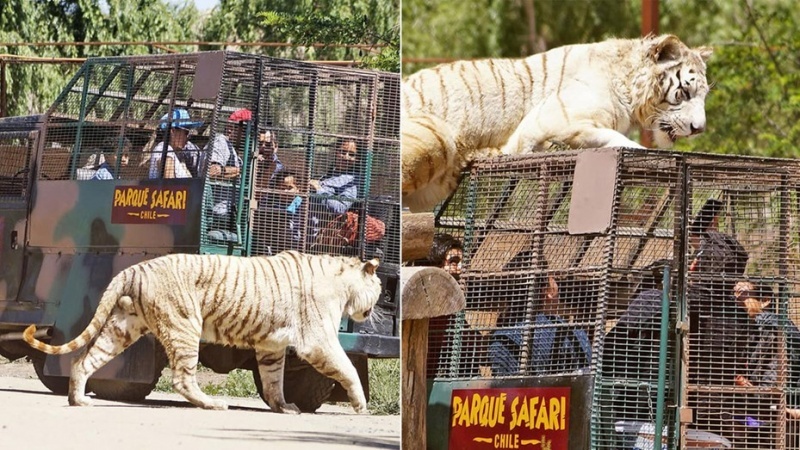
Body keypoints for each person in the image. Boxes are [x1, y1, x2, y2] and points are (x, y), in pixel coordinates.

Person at [205, 108, 249, 242]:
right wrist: (241, 171)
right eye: (245, 131)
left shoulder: (234, 151)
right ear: (231, 128)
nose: (248, 136)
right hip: (217, 214)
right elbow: (212, 171)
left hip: (230, 215)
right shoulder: (221, 142)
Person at [308, 138, 361, 243]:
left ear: (357, 159)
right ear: (336, 152)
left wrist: (318, 189)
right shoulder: (329, 173)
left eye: (351, 154)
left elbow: (341, 208)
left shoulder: (351, 182)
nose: (346, 157)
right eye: (342, 152)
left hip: (318, 234)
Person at [148, 108, 203, 179]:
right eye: (186, 132)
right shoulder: (164, 149)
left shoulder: (172, 152)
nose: (188, 137)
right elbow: (168, 181)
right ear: (173, 131)